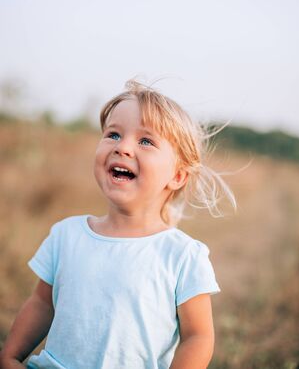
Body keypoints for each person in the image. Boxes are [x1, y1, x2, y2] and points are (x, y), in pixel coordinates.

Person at [0, 79, 236, 369]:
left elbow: (198, 337)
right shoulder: (67, 235)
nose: (122, 147)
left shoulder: (182, 255)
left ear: (177, 176)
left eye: (146, 141)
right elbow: (42, 304)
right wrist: (10, 356)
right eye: (113, 134)